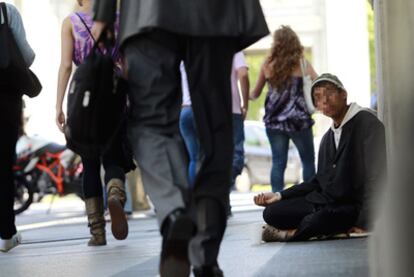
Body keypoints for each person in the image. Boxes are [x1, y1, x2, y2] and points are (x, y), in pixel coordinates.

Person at [92, 1, 269, 276]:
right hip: (214, 13)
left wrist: (102, 14)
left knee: (151, 122)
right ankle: (205, 254)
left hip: (146, 13)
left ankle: (174, 213)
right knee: (215, 130)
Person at [254, 73, 386, 242]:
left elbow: (378, 177)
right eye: (318, 97)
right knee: (272, 212)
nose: (324, 100)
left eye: (329, 93)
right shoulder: (327, 138)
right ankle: (314, 229)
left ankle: (290, 234)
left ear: (343, 94)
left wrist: (366, 221)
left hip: (351, 207)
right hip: (324, 203)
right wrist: (280, 195)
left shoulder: (367, 123)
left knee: (316, 220)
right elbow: (318, 182)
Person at [55, 0, 130, 246]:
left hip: (84, 101)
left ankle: (97, 232)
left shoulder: (71, 23)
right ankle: (115, 193)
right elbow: (127, 62)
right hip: (114, 94)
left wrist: (59, 105)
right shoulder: (119, 18)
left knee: (89, 164)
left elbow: (66, 66)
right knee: (114, 155)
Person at [250, 25, 317, 193]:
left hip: (274, 122)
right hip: (299, 121)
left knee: (278, 162)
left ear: (276, 43)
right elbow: (319, 84)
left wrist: (243, 95)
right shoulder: (302, 65)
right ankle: (308, 198)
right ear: (295, 43)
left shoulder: (268, 65)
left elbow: (255, 93)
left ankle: (275, 203)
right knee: (307, 161)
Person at [0, 2, 35, 252]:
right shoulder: (6, 11)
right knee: (3, 167)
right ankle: (6, 234)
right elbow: (27, 56)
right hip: (5, 103)